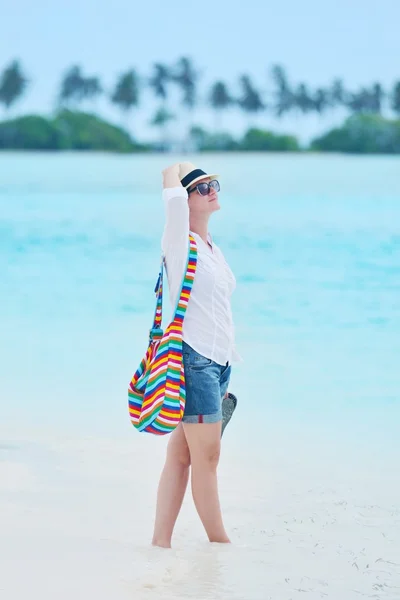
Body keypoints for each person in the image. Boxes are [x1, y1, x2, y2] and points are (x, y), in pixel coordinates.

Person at [151, 162, 240, 548]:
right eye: (202, 188)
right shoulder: (178, 239)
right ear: (185, 202)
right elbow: (170, 183)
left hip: (218, 364)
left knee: (183, 455)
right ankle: (220, 545)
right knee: (209, 458)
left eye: (214, 184)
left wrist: (228, 363)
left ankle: (160, 544)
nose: (212, 190)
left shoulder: (212, 248)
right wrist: (179, 170)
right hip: (194, 361)